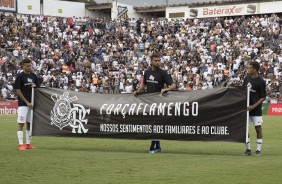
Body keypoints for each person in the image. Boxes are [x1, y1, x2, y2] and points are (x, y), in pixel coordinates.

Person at [133, 53, 176, 153]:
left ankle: (156, 147)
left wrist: (167, 89)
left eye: (159, 60)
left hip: (158, 102)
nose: (158, 62)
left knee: (155, 125)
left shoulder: (163, 73)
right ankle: (154, 146)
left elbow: (173, 85)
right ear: (151, 61)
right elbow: (144, 84)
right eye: (156, 60)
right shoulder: (147, 72)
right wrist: (137, 91)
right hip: (149, 103)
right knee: (152, 125)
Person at [15, 59, 39, 151]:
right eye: (28, 66)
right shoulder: (20, 76)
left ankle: (28, 144)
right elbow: (18, 90)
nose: (30, 67)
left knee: (29, 124)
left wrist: (35, 86)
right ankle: (21, 144)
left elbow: (38, 88)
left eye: (30, 66)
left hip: (32, 104)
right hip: (23, 104)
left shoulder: (34, 76)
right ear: (23, 66)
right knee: (21, 123)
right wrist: (27, 102)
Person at [243, 61, 266, 157]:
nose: (248, 69)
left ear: (255, 69)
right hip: (246, 109)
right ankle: (248, 149)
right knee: (244, 129)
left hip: (255, 109)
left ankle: (258, 150)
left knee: (258, 129)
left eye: (249, 68)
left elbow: (263, 97)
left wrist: (253, 106)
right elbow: (243, 91)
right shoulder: (247, 78)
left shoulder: (261, 81)